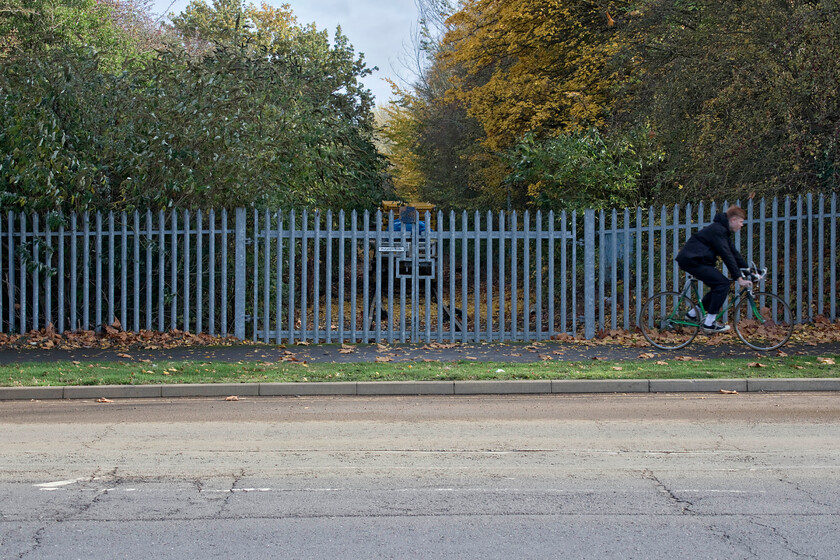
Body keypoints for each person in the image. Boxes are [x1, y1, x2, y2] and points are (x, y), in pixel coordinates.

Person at [675, 206, 752, 333]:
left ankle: (693, 314)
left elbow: (733, 253)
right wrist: (739, 278)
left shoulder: (722, 231)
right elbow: (726, 255)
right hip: (692, 261)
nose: (742, 225)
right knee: (722, 284)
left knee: (720, 285)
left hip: (697, 260)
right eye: (741, 221)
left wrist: (748, 270)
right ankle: (709, 323)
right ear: (733, 219)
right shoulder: (718, 230)